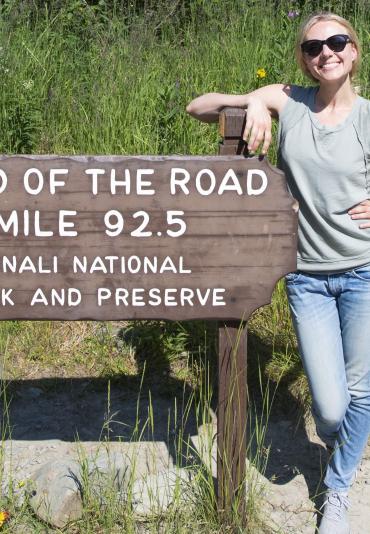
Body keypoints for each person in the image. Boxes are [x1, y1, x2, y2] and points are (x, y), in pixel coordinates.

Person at [186, 11, 370, 534]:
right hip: (307, 276)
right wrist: (251, 103)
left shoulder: (368, 119)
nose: (326, 52)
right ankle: (345, 445)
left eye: (337, 42)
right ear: (304, 60)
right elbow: (196, 107)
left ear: (354, 51)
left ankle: (337, 489)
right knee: (332, 409)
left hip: (364, 272)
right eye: (314, 47)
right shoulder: (289, 101)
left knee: (362, 392)